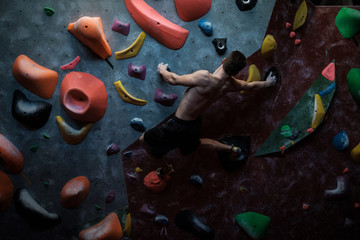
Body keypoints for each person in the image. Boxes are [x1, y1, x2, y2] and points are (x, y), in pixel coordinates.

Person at [139, 50, 277, 159]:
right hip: (194, 125)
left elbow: (173, 79)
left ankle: (157, 156)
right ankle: (231, 149)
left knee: (143, 139)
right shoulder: (232, 84)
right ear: (236, 72)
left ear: (223, 61)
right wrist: (268, 83)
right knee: (195, 143)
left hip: (178, 124)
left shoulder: (204, 77)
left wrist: (162, 69)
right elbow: (249, 86)